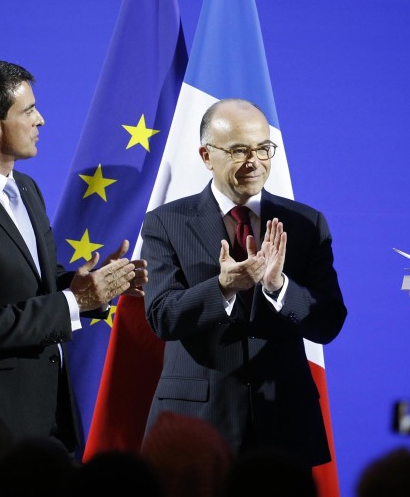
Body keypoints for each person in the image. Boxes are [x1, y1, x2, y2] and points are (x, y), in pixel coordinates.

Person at [0, 59, 147, 455]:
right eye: (28, 111)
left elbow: (37, 282)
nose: (41, 120)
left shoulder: (26, 188)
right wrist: (77, 300)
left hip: (47, 411)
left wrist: (95, 285)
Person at [140, 98, 347, 467]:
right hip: (196, 427)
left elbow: (328, 323)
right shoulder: (166, 222)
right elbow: (162, 317)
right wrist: (223, 287)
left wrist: (279, 287)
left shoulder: (306, 224)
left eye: (264, 148)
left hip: (282, 425)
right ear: (206, 155)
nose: (255, 162)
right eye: (239, 150)